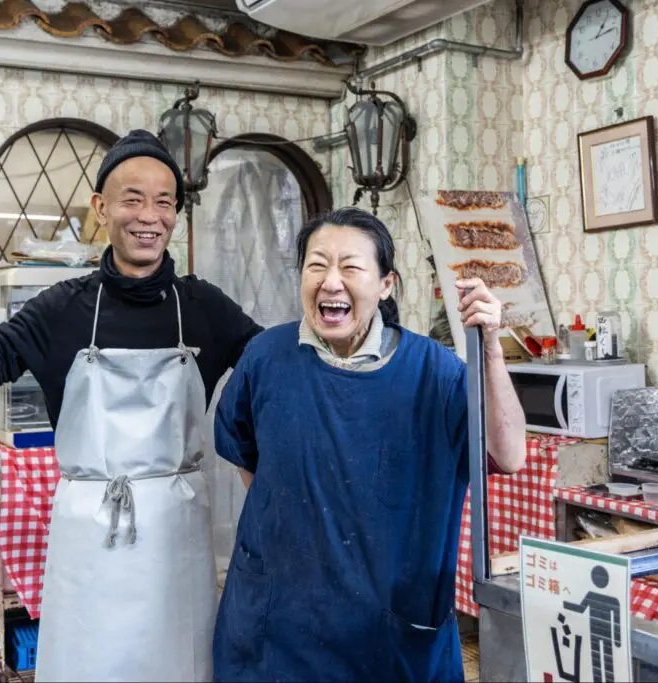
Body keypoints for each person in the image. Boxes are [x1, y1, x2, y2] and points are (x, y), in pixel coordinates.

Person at [0, 130, 263, 682]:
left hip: (176, 532)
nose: (148, 216)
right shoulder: (61, 308)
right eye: (132, 198)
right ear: (101, 207)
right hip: (90, 535)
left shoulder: (203, 306)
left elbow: (270, 367)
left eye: (164, 202)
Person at [211, 207, 527, 683]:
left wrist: (491, 348)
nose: (330, 281)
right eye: (316, 265)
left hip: (388, 637)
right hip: (278, 632)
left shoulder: (432, 372)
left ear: (385, 284)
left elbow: (509, 454)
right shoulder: (265, 357)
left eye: (350, 267)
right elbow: (249, 455)